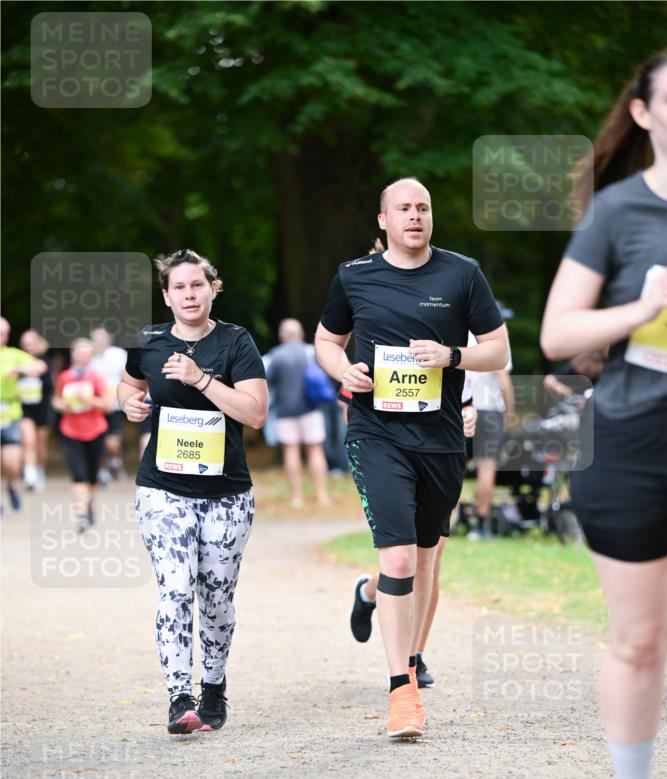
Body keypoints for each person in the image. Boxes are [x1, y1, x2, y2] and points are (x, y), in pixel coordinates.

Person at [315, 177, 509, 739]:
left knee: (426, 559)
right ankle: (402, 690)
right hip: (376, 433)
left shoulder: (461, 273)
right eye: (403, 208)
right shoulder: (355, 276)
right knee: (399, 557)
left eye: (423, 207)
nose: (415, 216)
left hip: (442, 437)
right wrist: (341, 370)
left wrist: (453, 355)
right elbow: (327, 341)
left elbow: (498, 349)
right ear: (383, 221)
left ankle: (371, 597)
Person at [541, 51, 667, 779]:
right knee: (640, 638)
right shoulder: (619, 212)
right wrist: (643, 308)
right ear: (647, 115)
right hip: (635, 442)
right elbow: (556, 336)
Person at [118, 248, 268, 735]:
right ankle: (179, 696)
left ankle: (214, 685)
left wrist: (200, 378)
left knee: (217, 597)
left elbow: (255, 412)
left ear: (212, 288)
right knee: (175, 588)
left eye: (197, 285)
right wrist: (130, 405)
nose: (189, 294)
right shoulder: (148, 342)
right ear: (166, 296)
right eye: (179, 287)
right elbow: (127, 385)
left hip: (226, 492)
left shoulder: (235, 341)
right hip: (163, 489)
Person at [350, 399, 477, 687]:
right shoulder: (382, 352)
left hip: (441, 448)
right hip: (389, 447)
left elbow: (474, 392)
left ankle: (415, 652)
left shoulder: (463, 353)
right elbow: (350, 397)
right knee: (402, 559)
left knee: (426, 559)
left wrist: (470, 412)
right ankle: (371, 595)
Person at [266, 318, 331, 508]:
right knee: (315, 450)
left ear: (281, 336)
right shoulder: (311, 352)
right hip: (311, 409)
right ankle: (322, 495)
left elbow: (268, 382)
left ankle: (297, 497)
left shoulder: (275, 356)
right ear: (301, 334)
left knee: (291, 451)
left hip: (285, 412)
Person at [52, 338, 113, 531]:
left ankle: (90, 504)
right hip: (70, 431)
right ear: (73, 355)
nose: (81, 358)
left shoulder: (96, 378)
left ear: (90, 357)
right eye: (78, 353)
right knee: (78, 474)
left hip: (95, 431)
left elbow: (108, 405)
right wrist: (63, 405)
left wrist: (90, 400)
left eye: (85, 354)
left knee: (92, 475)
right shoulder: (65, 377)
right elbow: (56, 400)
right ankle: (81, 516)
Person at [467, 339, 514, 540]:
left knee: (453, 466)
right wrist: (510, 409)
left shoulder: (462, 332)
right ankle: (480, 524)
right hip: (490, 410)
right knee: (487, 467)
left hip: (465, 407)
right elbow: (503, 378)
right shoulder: (497, 339)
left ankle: (443, 522)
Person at [0, 316, 47, 511]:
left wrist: (20, 369)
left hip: (10, 412)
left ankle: (11, 484)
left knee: (11, 463)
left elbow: (40, 366)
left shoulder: (13, 354)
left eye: (3, 333)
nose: (1, 336)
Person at [90, 326, 128, 482]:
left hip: (114, 404)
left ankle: (116, 461)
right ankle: (102, 470)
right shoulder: (88, 358)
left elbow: (125, 377)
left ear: (108, 340)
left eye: (101, 338)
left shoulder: (119, 355)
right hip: (96, 404)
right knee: (99, 440)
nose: (97, 342)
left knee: (112, 442)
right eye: (94, 339)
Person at [19, 328, 53, 491]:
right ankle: (30, 475)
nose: (28, 346)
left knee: (40, 444)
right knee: (28, 441)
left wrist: (37, 374)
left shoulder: (45, 361)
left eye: (31, 343)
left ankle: (39, 470)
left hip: (42, 408)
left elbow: (50, 386)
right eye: (25, 343)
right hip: (24, 409)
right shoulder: (18, 361)